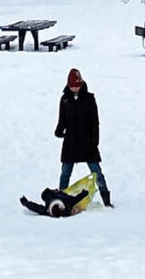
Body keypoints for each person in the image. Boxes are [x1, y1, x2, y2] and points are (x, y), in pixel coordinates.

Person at [56, 68, 111, 207]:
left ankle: (106, 198)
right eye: (72, 86)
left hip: (87, 141)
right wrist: (59, 130)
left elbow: (95, 121)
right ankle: (61, 197)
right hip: (70, 141)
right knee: (65, 172)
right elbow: (62, 119)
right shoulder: (65, 99)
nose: (75, 88)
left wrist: (95, 140)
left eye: (77, 85)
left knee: (96, 171)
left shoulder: (89, 99)